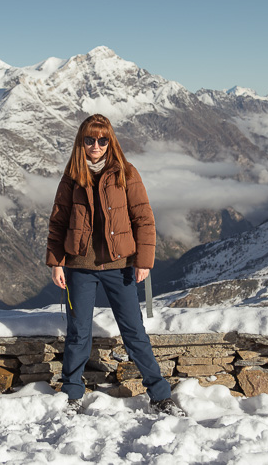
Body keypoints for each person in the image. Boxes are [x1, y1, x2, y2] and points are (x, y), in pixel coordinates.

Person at [45, 114, 183, 416]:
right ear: (81, 142)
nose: (96, 145)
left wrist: (143, 261)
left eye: (102, 139)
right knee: (78, 332)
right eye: (90, 139)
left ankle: (160, 395)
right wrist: (56, 262)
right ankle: (72, 394)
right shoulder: (71, 176)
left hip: (119, 267)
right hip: (79, 268)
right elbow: (58, 222)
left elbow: (144, 219)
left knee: (134, 331)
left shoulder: (125, 173)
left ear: (111, 142)